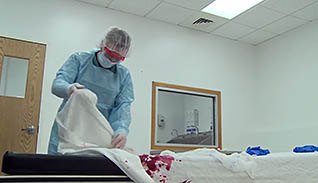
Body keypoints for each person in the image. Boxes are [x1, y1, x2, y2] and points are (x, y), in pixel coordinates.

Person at [48, 27, 134, 154]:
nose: (111, 60)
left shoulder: (123, 75)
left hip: (99, 133)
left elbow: (123, 106)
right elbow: (58, 84)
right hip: (71, 127)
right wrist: (69, 88)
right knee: (60, 167)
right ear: (102, 45)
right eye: (110, 55)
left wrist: (121, 130)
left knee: (90, 169)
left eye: (117, 59)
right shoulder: (79, 60)